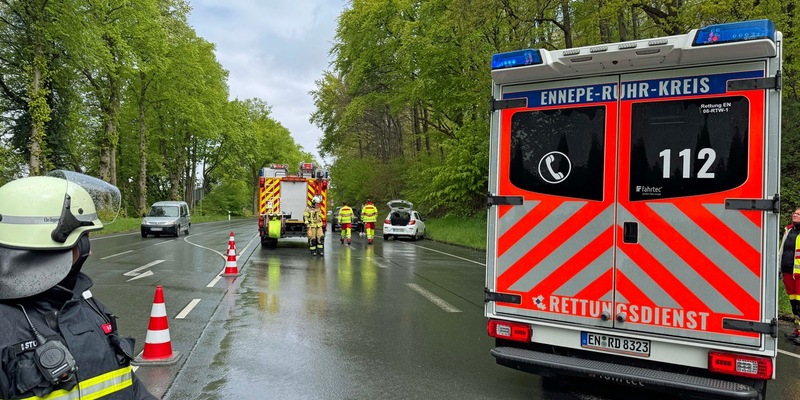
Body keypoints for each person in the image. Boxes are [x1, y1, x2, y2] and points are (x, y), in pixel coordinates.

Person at [0, 175, 156, 399]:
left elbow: (129, 387)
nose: (89, 252)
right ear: (48, 244)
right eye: (83, 239)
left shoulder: (86, 305)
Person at [780, 207, 800, 344]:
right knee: (794, 305)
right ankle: (797, 331)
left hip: (798, 275)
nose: (795, 214)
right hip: (788, 273)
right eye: (795, 213)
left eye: (799, 214)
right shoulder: (789, 230)